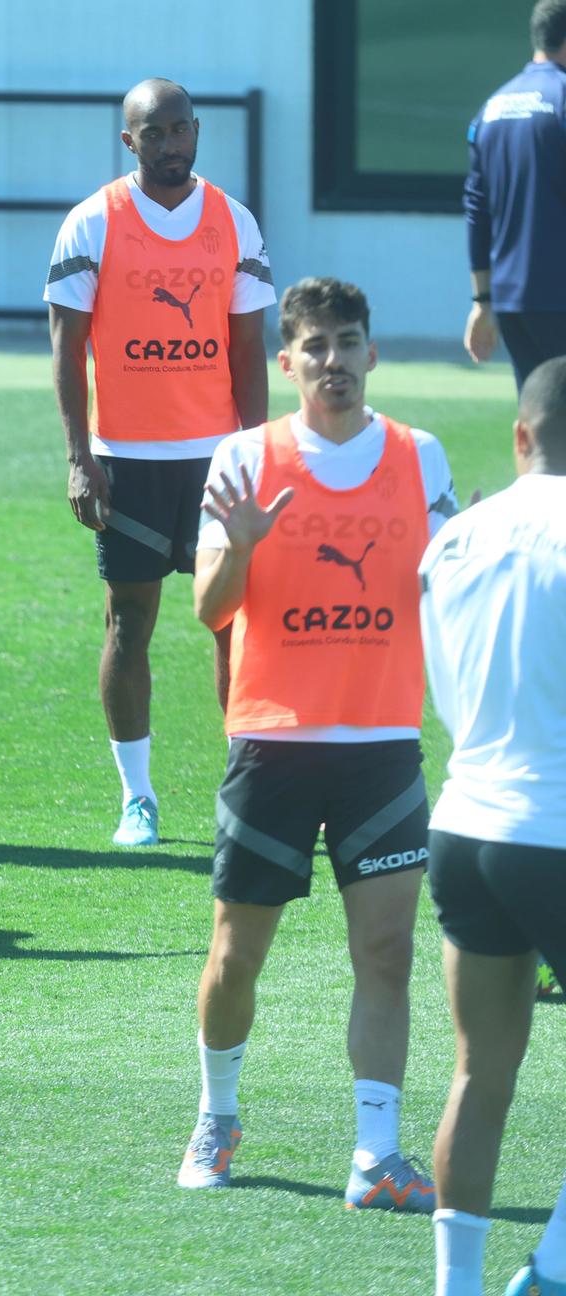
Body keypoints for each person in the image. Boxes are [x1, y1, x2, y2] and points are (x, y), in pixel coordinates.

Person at [178, 278, 459, 1211]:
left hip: (382, 743)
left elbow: (453, 591)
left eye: (348, 342)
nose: (332, 360)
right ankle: (219, 1114)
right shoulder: (245, 456)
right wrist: (246, 545)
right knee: (235, 955)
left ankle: (375, 1153)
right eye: (314, 346)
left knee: (386, 953)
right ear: (287, 361)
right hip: (274, 742)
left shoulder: (420, 459)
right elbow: (208, 609)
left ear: (373, 353)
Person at [45, 77, 274, 847]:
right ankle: (137, 800)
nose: (173, 144)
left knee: (236, 624)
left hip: (216, 461)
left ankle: (250, 790)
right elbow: (66, 347)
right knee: (128, 625)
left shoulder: (234, 222)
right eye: (157, 132)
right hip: (128, 459)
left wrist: (261, 451)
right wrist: (80, 456)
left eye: (183, 130)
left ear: (197, 132)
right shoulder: (91, 223)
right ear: (129, 140)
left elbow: (248, 349)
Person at [420, 356, 566, 1296]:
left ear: (523, 433)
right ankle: (551, 1269)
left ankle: (457, 1287)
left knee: (480, 1071)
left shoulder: (452, 541)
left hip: (465, 821)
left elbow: (446, 696)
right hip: (556, 827)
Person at [463, 0, 566, 392]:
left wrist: (482, 300)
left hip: (512, 302)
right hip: (561, 295)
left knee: (538, 414)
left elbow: (476, 209)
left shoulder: (492, 107)